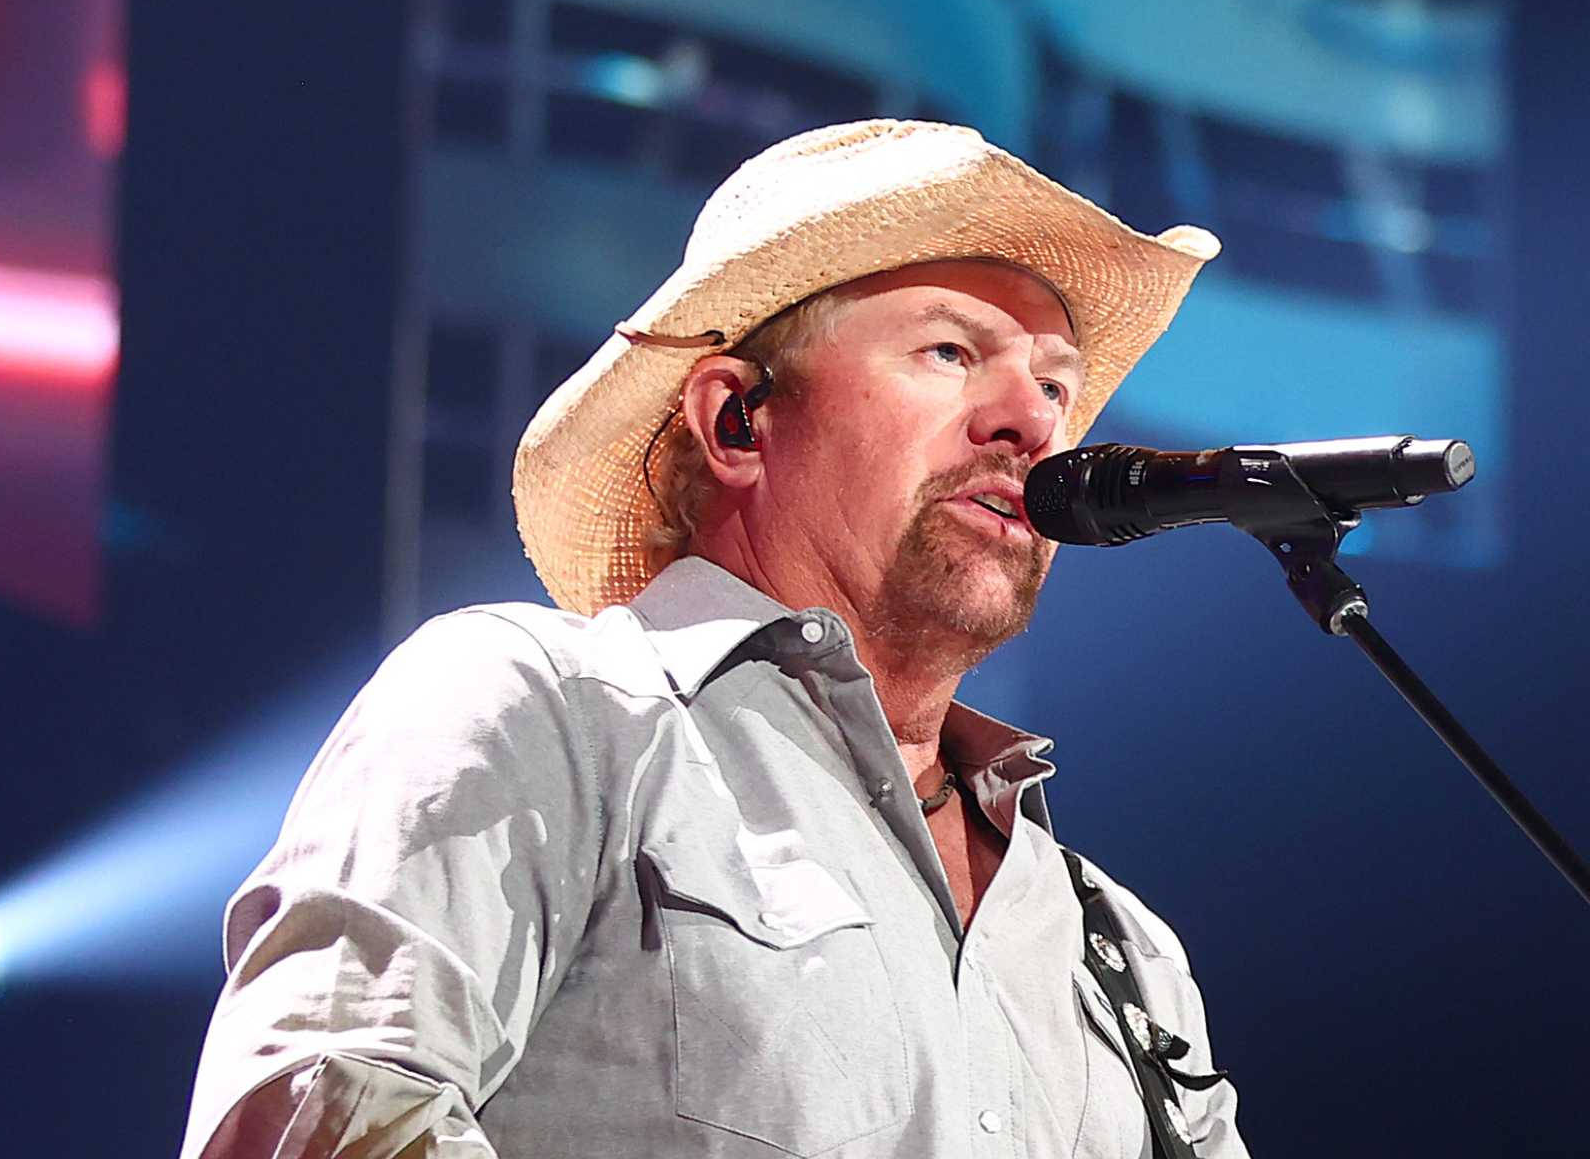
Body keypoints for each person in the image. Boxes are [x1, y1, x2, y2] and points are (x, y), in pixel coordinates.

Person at [179, 119, 1245, 1159]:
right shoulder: (546, 708)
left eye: (1056, 384)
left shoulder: (1120, 950)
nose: (1033, 422)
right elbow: (326, 1123)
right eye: (949, 350)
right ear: (737, 420)